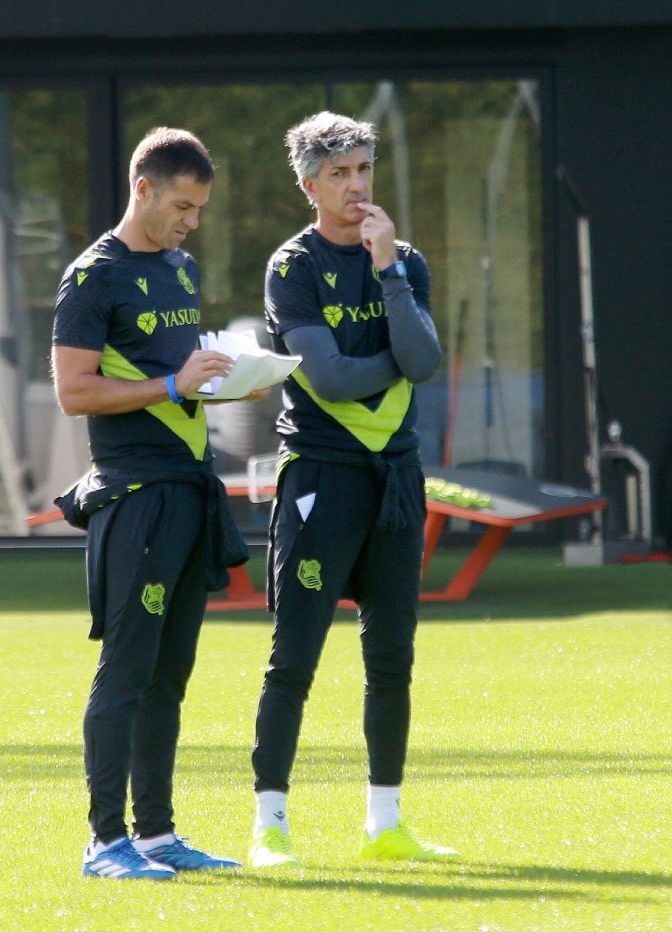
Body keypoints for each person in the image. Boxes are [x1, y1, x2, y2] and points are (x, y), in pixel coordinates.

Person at [247, 111, 458, 868]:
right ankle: (270, 826)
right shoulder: (292, 266)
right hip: (320, 479)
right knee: (294, 658)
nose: (356, 185)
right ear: (310, 186)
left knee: (392, 658)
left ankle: (385, 825)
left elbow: (426, 362)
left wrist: (389, 270)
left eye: (364, 169)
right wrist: (400, 359)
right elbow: (332, 380)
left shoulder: (404, 261)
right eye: (338, 173)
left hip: (395, 480)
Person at [52, 126, 258, 880]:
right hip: (133, 496)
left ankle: (157, 834)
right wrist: (173, 385)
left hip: (190, 490)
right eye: (182, 206)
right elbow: (74, 392)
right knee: (126, 672)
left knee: (170, 676)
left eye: (200, 209)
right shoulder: (91, 277)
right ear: (143, 189)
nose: (191, 222)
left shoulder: (180, 268)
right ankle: (104, 842)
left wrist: (232, 381)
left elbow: (176, 381)